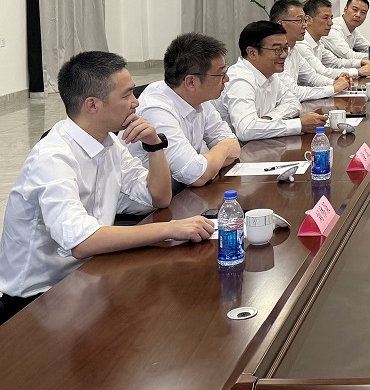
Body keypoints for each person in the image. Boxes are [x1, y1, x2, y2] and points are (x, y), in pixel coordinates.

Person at [0, 52, 215, 325]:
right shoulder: (52, 158)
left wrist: (154, 145)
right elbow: (82, 243)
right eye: (127, 95)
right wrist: (171, 228)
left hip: (88, 275)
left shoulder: (109, 144)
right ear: (93, 105)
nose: (136, 102)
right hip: (38, 300)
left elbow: (159, 198)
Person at [128, 33, 241, 187]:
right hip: (149, 200)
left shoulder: (199, 99)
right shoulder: (155, 110)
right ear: (191, 82)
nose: (226, 79)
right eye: (221, 74)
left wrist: (209, 164)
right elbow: (196, 176)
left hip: (181, 192)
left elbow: (234, 147)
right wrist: (224, 148)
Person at [213, 21, 328, 141]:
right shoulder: (240, 80)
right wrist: (298, 125)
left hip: (260, 144)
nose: (284, 55)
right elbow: (246, 130)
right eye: (277, 50)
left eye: (285, 48)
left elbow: (293, 102)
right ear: (252, 53)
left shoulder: (271, 74)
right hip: (238, 149)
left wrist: (268, 119)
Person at [269, 0, 354, 100]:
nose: (305, 25)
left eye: (304, 20)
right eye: (299, 21)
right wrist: (333, 88)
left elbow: (312, 77)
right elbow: (293, 92)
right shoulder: (272, 53)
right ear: (281, 24)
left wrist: (336, 82)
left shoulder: (293, 50)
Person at [299, 0, 370, 79]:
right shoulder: (302, 44)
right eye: (325, 18)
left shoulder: (318, 43)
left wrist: (362, 62)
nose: (330, 23)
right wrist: (358, 71)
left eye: (331, 18)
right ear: (308, 19)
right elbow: (322, 72)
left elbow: (336, 62)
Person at [322, 0, 370, 64]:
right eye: (355, 10)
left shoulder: (353, 31)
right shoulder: (333, 28)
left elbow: (366, 46)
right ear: (345, 10)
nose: (358, 15)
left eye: (363, 12)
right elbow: (347, 55)